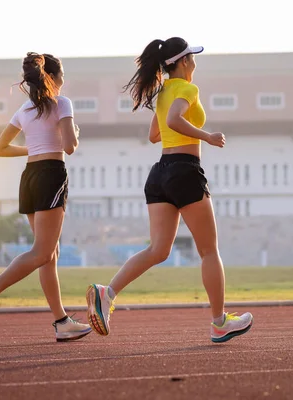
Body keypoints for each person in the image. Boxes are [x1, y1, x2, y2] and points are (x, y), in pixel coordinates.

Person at [86, 38, 253, 343]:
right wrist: (207, 136)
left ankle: (106, 293)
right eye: (193, 56)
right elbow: (174, 120)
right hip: (185, 170)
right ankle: (219, 323)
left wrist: (176, 126)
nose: (195, 62)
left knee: (158, 250)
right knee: (208, 251)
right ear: (185, 61)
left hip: (160, 173)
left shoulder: (164, 92)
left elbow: (154, 134)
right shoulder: (188, 89)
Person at [0, 52, 91, 342]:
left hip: (30, 176)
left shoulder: (25, 108)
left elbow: (0, 148)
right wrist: (73, 131)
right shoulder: (62, 103)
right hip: (51, 175)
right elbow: (70, 147)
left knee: (49, 255)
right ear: (56, 77)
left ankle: (61, 322)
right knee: (43, 253)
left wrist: (33, 148)